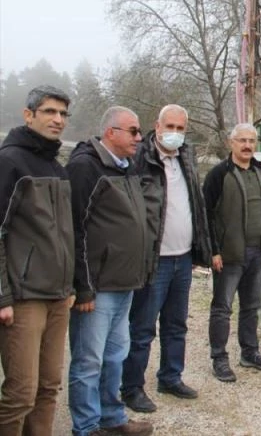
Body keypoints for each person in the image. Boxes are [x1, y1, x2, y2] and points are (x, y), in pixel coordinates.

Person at [66, 107, 152, 436]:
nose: (139, 138)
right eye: (132, 131)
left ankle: (112, 419)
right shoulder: (84, 167)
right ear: (110, 132)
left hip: (124, 283)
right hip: (97, 287)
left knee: (115, 357)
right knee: (89, 362)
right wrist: (82, 287)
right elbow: (74, 229)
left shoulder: (127, 167)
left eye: (139, 131)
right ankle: (86, 427)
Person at [121, 105, 211, 413]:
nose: (175, 132)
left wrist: (201, 249)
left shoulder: (186, 157)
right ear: (156, 127)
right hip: (153, 259)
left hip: (183, 258)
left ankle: (171, 377)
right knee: (142, 327)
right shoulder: (139, 158)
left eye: (180, 128)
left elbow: (195, 205)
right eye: (169, 126)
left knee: (176, 324)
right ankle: (131, 387)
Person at [0, 86, 74, 435]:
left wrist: (71, 285)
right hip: (24, 298)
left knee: (48, 387)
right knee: (20, 393)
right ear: (28, 114)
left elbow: (64, 235)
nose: (57, 120)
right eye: (49, 112)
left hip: (58, 296)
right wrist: (2, 295)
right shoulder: (9, 161)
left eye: (62, 114)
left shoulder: (56, 167)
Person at [203, 124, 261, 382]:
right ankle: (219, 359)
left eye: (251, 141)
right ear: (230, 143)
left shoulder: (260, 171)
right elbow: (207, 215)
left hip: (257, 252)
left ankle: (249, 352)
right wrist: (213, 250)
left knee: (252, 305)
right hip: (228, 254)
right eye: (242, 140)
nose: (247, 145)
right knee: (222, 308)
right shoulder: (218, 174)